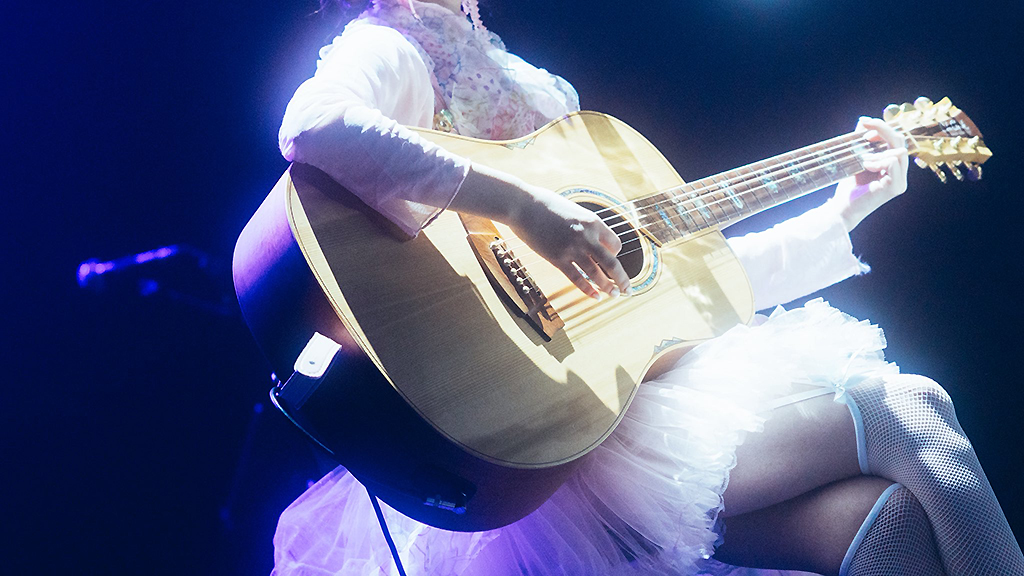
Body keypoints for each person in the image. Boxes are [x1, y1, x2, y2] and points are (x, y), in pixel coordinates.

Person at [269, 1, 1024, 574]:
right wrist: (524, 208)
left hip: (629, 404)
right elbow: (315, 124)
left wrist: (843, 212)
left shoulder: (516, 73)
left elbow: (674, 293)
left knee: (887, 527)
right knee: (907, 407)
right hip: (550, 435)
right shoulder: (398, 43)